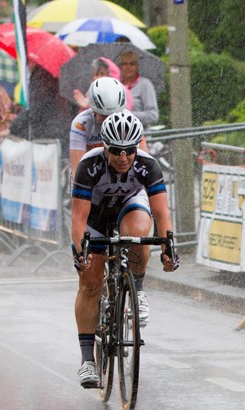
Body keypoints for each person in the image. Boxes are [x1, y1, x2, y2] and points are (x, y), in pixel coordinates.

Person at [70, 109, 178, 386]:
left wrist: (168, 247)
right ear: (105, 147)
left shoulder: (147, 164)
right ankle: (87, 361)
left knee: (141, 233)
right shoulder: (89, 165)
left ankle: (137, 288)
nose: (123, 157)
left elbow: (163, 214)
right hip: (96, 215)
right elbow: (79, 219)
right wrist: (80, 252)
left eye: (129, 150)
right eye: (116, 150)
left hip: (129, 207)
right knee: (91, 282)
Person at [5, 63, 75, 152]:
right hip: (60, 133)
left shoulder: (42, 77)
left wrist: (12, 128)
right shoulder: (51, 75)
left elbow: (33, 111)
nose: (27, 64)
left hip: (47, 138)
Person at [69, 76, 127, 168]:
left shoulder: (131, 121)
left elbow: (144, 163)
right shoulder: (80, 124)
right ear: (93, 110)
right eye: (104, 115)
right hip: (92, 172)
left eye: (114, 116)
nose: (109, 120)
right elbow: (77, 170)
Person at [119, 49, 158, 129]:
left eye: (132, 64)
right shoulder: (117, 86)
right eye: (125, 64)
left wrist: (128, 115)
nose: (128, 67)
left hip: (140, 136)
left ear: (137, 66)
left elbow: (153, 115)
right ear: (120, 66)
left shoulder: (145, 84)